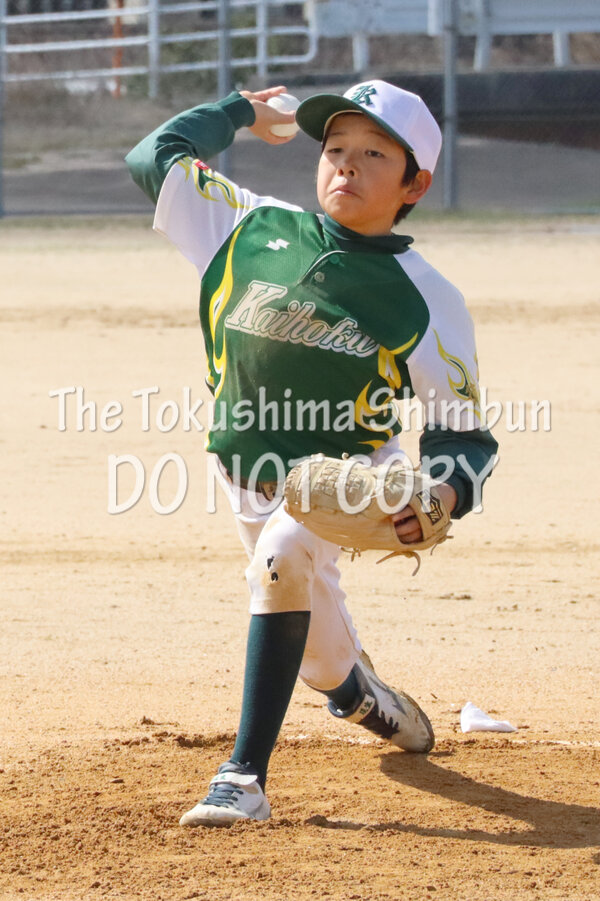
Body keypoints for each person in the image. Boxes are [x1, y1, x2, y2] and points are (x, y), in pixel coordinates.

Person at [126, 79, 498, 827]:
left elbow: (463, 435)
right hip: (245, 475)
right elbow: (153, 156)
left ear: (415, 184)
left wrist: (444, 491)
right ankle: (360, 694)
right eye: (334, 148)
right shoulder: (246, 224)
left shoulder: (426, 297)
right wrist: (241, 110)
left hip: (350, 479)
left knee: (281, 558)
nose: (346, 164)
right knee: (318, 657)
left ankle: (242, 777)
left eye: (374, 154)